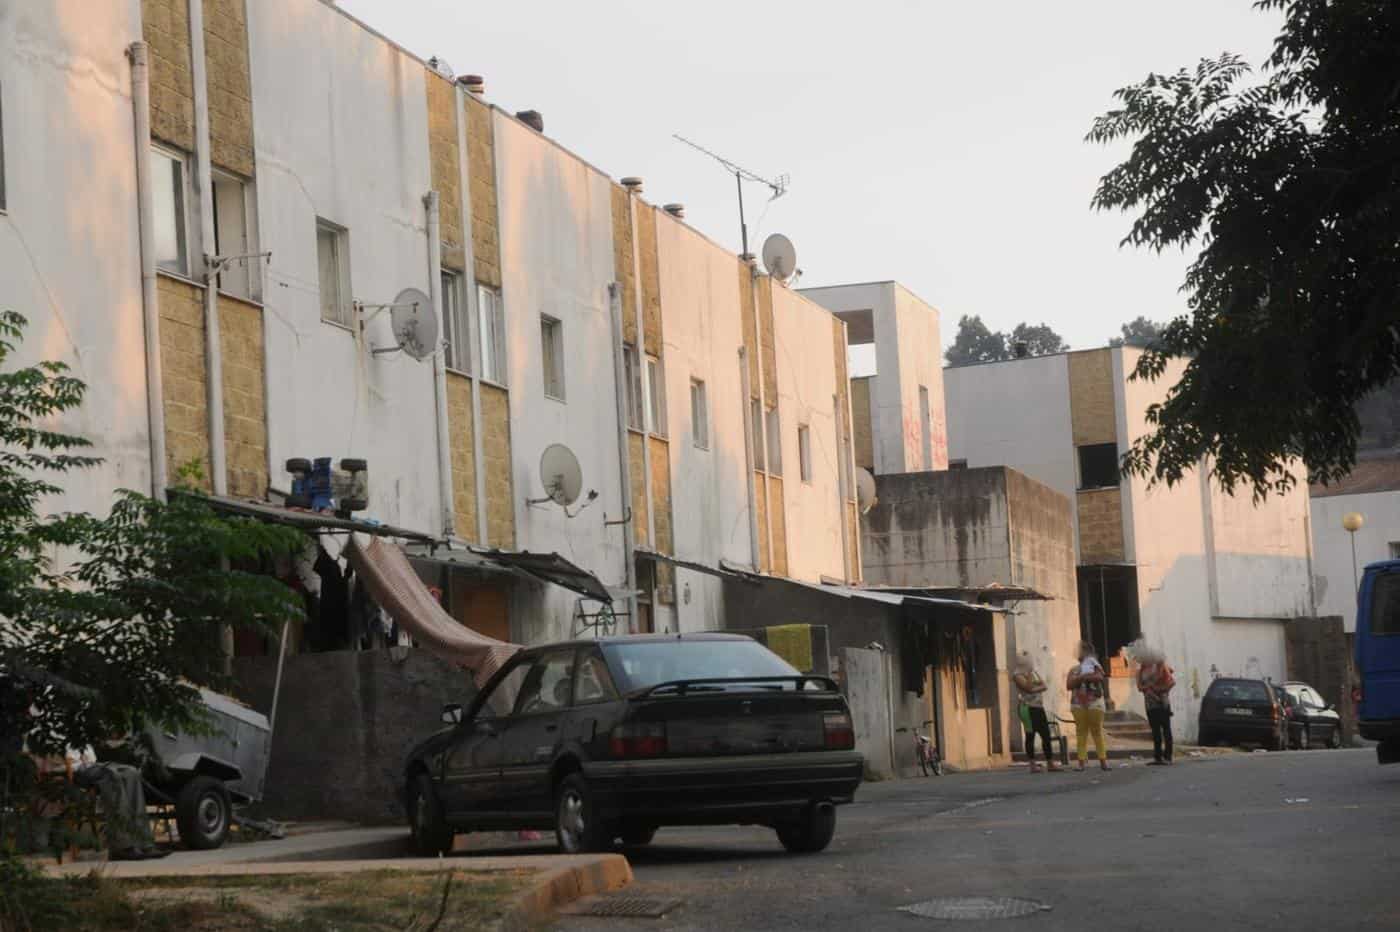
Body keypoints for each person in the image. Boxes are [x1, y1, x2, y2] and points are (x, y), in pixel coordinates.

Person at [1067, 641, 1110, 772]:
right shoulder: (1073, 669)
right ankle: (1081, 763)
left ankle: (1103, 761)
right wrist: (1084, 677)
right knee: (1081, 733)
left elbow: (1099, 677)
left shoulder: (1095, 665)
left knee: (1096, 731)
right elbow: (1069, 685)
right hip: (1078, 704)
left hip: (1094, 703)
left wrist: (1081, 677)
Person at [1013, 652, 1060, 773]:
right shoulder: (1017, 675)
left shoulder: (1033, 672)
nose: (1031, 663)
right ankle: (1032, 765)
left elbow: (1044, 685)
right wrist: (1030, 679)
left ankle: (1050, 763)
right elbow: (1028, 688)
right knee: (1030, 736)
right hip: (1027, 708)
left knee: (1045, 735)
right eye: (1029, 661)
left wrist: (1035, 687)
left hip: (1038, 707)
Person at [1135, 644, 1176, 765]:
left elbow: (1171, 682)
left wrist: (1158, 689)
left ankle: (1168, 756)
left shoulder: (1160, 667)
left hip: (1162, 703)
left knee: (1166, 729)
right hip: (1150, 704)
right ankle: (1157, 757)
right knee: (1155, 731)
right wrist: (1148, 688)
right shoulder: (1140, 671)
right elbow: (1139, 687)